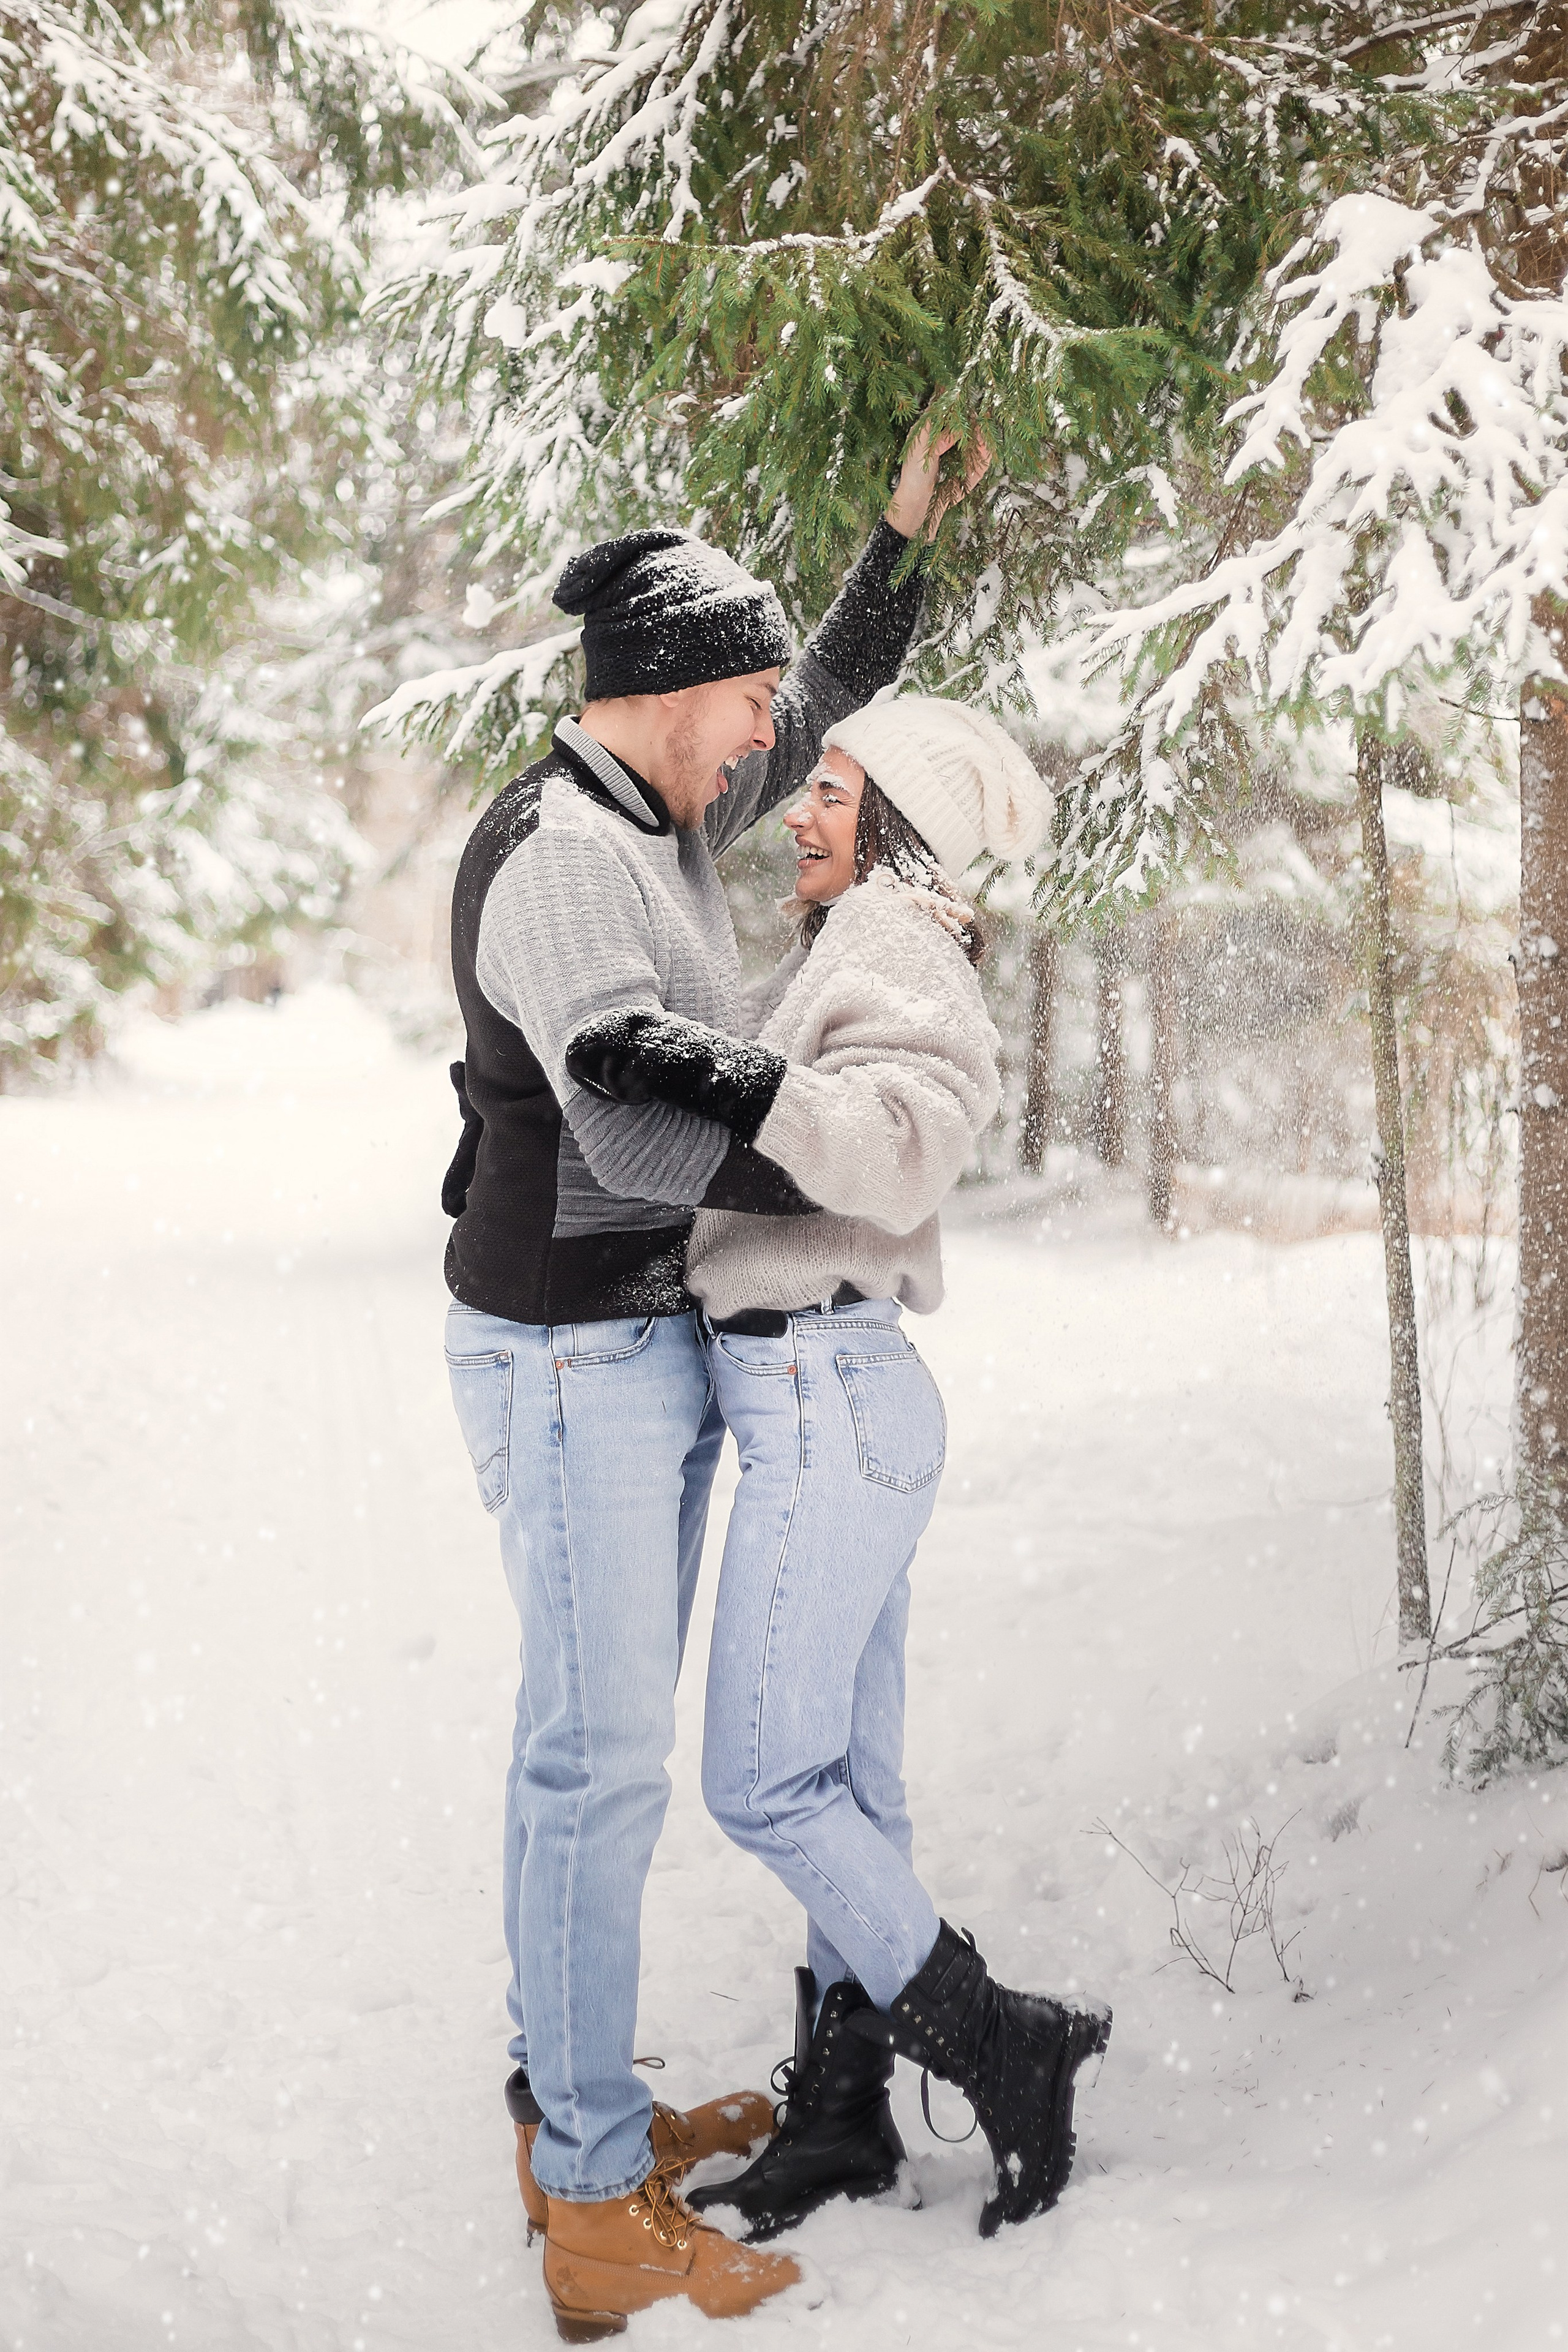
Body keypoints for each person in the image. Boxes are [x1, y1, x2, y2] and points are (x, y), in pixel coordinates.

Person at [440, 419, 984, 2339]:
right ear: (668, 694)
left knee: (582, 1756)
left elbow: (823, 687)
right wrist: (860, 1169)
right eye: (745, 703)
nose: (772, 735)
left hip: (622, 1341)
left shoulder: (652, 810)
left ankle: (571, 2118)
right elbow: (633, 1124)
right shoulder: (563, 860)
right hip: (571, 1350)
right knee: (596, 1768)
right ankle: (595, 2200)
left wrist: (896, 538)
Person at [566, 695, 1112, 2248]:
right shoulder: (849, 940)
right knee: (849, 1794)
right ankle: (844, 2114)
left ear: (895, 826)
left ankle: (1001, 2041)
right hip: (828, 1397)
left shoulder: (892, 938)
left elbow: (905, 1138)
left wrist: (723, 1079)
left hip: (825, 1391)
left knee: (760, 1781)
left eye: (827, 788)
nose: (796, 810)